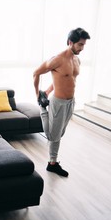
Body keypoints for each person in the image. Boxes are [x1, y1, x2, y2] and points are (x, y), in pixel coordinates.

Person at [33, 28, 90, 177]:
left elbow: (63, 80)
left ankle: (52, 163)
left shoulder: (77, 59)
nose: (82, 48)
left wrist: (47, 91)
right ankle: (52, 163)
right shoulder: (57, 59)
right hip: (58, 102)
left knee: (60, 133)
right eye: (79, 44)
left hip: (71, 102)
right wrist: (37, 94)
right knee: (53, 136)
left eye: (84, 45)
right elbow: (36, 73)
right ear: (70, 42)